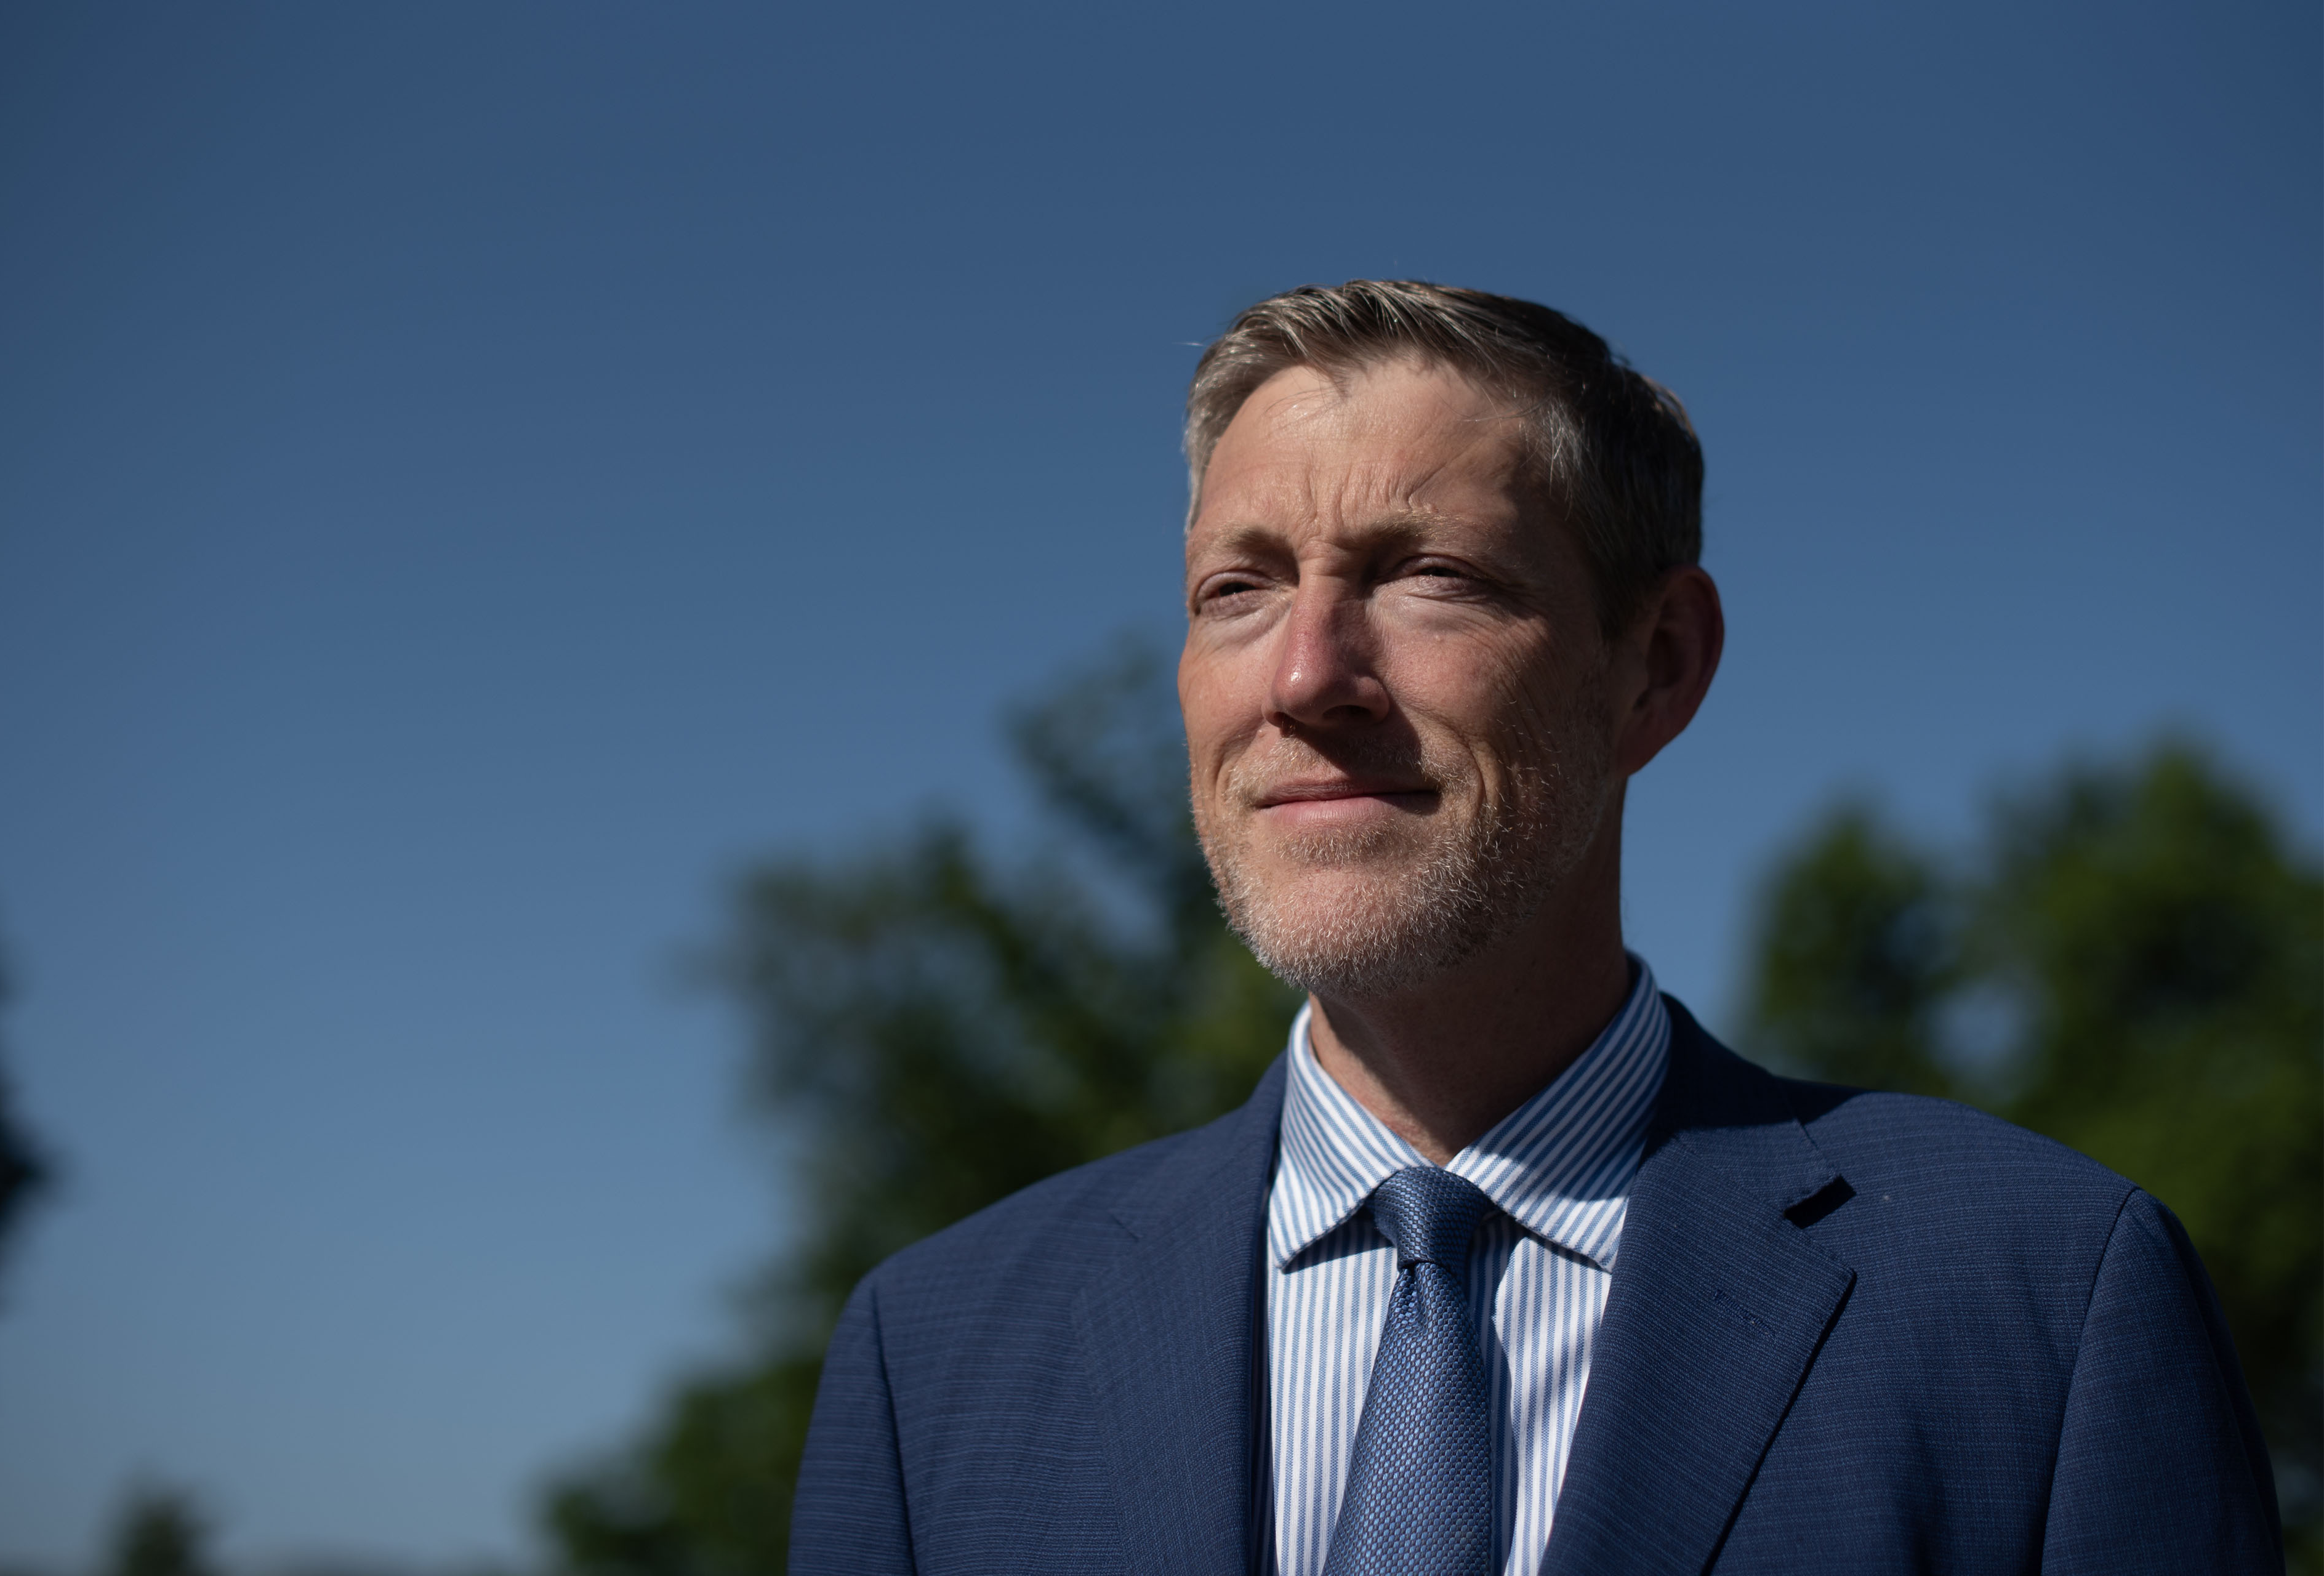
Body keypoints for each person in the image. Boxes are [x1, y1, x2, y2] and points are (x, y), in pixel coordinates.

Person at [788, 281, 2280, 1574]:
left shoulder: (2046, 1301)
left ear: (1659, 664)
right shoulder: (936, 1361)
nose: (1307, 675)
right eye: (1237, 588)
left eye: (1428, 575)